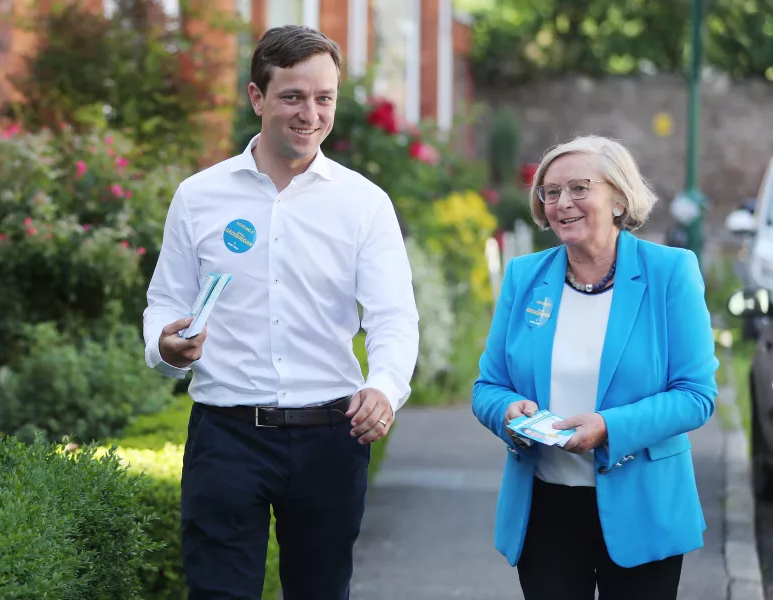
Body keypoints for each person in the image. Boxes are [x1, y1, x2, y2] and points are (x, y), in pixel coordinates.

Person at [142, 25, 419, 600]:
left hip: (330, 437)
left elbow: (393, 315)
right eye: (293, 96)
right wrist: (165, 346)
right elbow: (166, 300)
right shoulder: (199, 197)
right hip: (226, 432)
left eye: (324, 98)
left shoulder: (364, 204)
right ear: (257, 97)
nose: (310, 114)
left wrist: (386, 387)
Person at [472, 135, 718, 600]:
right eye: (550, 191)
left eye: (580, 188)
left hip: (645, 505)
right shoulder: (525, 277)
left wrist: (608, 426)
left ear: (620, 198)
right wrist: (508, 412)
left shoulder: (670, 272)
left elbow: (695, 395)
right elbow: (488, 386)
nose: (562, 202)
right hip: (545, 508)